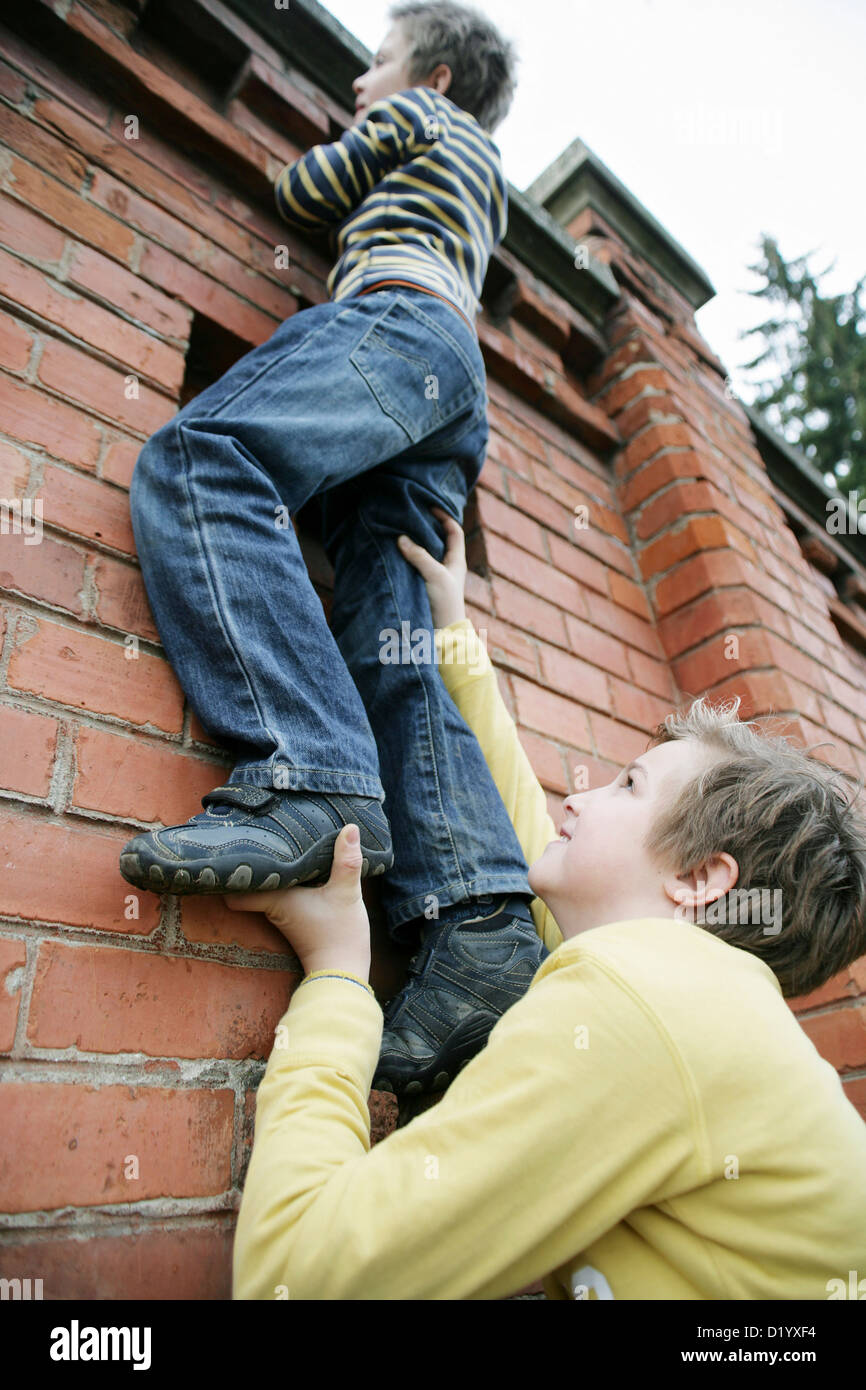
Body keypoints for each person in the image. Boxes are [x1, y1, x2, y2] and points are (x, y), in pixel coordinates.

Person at [229, 510, 866, 1300]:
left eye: (629, 784)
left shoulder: (644, 998)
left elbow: (298, 1276)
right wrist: (454, 630)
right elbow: (525, 815)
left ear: (701, 878)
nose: (584, 794)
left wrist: (334, 978)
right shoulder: (709, 998)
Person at [119, 2, 548, 1093]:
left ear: (434, 79)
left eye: (378, 64)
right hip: (451, 386)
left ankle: (308, 782)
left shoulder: (418, 120)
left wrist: (340, 139)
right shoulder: (479, 177)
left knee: (205, 456)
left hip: (395, 327)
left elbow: (301, 192)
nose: (364, 82)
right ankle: (478, 923)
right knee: (390, 632)